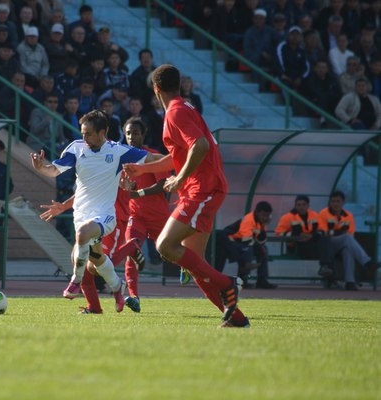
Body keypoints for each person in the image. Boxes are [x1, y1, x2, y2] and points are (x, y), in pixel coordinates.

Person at [123, 64, 250, 328]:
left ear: (156, 89)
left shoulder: (175, 112)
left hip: (201, 189)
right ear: (178, 85)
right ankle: (235, 317)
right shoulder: (184, 107)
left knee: (165, 246)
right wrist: (143, 169)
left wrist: (180, 178)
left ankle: (227, 283)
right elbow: (178, 156)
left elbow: (199, 146)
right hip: (200, 189)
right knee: (195, 265)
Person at [30, 109, 155, 313]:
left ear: (102, 133)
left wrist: (180, 159)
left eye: (88, 133)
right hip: (81, 214)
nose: (84, 137)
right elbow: (52, 170)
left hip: (106, 216)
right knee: (94, 259)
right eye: (82, 132)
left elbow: (153, 158)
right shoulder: (76, 148)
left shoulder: (117, 151)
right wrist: (40, 168)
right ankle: (117, 287)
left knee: (83, 237)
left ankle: (75, 281)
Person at [119, 117, 171, 312]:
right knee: (131, 251)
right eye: (128, 133)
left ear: (143, 134)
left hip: (159, 216)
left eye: (136, 133)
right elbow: (125, 187)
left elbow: (163, 185)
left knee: (172, 253)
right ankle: (134, 297)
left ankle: (193, 269)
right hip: (136, 216)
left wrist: (137, 192)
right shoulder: (122, 159)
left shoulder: (152, 156)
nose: (132, 137)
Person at [318, 190, 380, 290]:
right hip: (327, 245)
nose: (335, 204)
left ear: (343, 202)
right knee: (346, 238)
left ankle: (350, 282)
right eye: (333, 201)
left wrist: (336, 232)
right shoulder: (323, 213)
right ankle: (367, 263)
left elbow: (351, 234)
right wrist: (339, 232)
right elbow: (324, 233)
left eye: (338, 201)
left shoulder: (348, 215)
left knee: (348, 249)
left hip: (342, 243)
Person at [274, 194, 334, 281]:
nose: (301, 207)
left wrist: (311, 236)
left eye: (303, 204)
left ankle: (327, 272)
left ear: (308, 205)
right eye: (298, 205)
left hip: (312, 245)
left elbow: (323, 230)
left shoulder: (315, 215)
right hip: (297, 247)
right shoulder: (287, 217)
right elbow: (279, 233)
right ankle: (328, 274)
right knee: (330, 251)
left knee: (328, 244)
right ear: (295, 205)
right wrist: (297, 236)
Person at [226, 201, 278, 289]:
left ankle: (262, 280)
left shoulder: (262, 222)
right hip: (232, 241)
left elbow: (261, 239)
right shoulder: (248, 219)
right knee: (247, 250)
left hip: (245, 242)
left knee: (263, 250)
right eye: (263, 215)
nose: (265, 218)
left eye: (267, 215)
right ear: (257, 213)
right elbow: (246, 239)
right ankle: (243, 280)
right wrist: (260, 247)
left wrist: (263, 227)